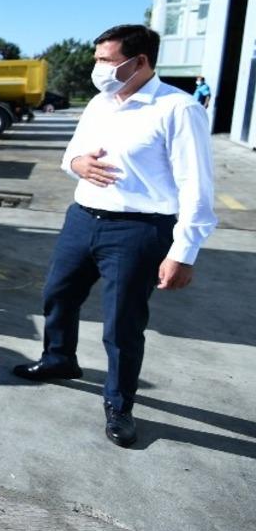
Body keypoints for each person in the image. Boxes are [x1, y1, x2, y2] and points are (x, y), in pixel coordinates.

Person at [12, 25, 216, 448]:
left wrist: (185, 252)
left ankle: (119, 405)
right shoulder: (100, 105)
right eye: (97, 59)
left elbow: (197, 187)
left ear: (140, 61)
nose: (98, 69)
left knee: (122, 323)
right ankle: (59, 359)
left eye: (106, 60)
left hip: (138, 229)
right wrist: (78, 165)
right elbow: (72, 153)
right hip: (83, 218)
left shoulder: (177, 109)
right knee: (59, 294)